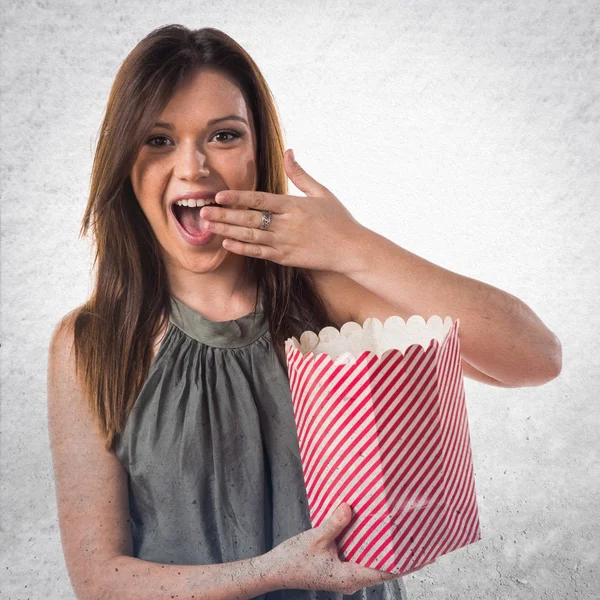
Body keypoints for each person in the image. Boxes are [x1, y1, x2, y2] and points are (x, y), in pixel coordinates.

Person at [47, 24, 562, 600]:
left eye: (223, 135)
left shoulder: (329, 299)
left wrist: (353, 246)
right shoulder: (89, 343)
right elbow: (99, 579)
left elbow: (535, 357)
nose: (193, 168)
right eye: (158, 140)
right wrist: (274, 572)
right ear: (124, 165)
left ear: (258, 152)